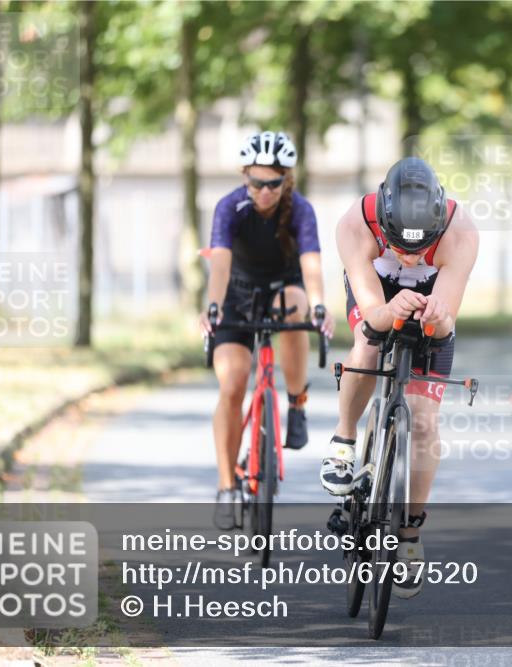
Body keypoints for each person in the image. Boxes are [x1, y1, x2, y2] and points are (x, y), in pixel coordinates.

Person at [320, 157, 479, 598]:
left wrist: (436, 317)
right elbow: (372, 314)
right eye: (399, 245)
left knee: (425, 420)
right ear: (383, 220)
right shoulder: (356, 222)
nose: (409, 255)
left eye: (419, 247)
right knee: (368, 345)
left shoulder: (460, 232)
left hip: (432, 304)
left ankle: (409, 534)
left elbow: (445, 325)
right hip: (377, 294)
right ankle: (345, 440)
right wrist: (389, 311)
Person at [199, 131, 334, 530]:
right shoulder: (230, 207)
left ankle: (296, 402)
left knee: (297, 307)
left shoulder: (300, 210)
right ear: (245, 178)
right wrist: (213, 305)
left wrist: (320, 303)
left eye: (273, 184)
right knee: (233, 382)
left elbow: (311, 262)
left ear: (286, 181)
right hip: (236, 296)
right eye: (256, 182)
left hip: (283, 288)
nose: (264, 192)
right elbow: (220, 262)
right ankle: (227, 486)